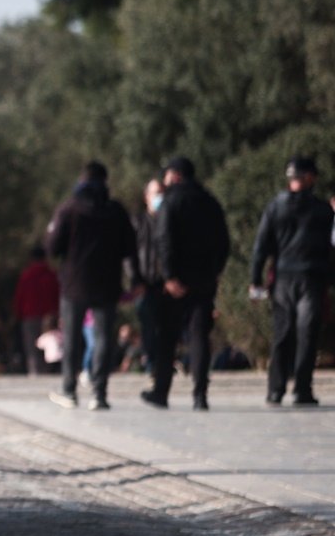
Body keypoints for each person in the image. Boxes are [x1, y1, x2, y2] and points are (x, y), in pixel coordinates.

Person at [44, 162, 136, 410]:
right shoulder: (116, 210)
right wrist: (135, 280)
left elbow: (52, 248)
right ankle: (100, 393)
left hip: (74, 284)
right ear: (106, 181)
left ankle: (69, 391)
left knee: (72, 338)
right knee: (104, 338)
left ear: (81, 179)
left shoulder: (69, 209)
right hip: (107, 283)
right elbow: (130, 247)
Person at [143, 157, 230, 411]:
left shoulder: (171, 202)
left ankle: (161, 392)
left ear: (177, 176)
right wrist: (214, 272)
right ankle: (200, 395)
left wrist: (169, 277)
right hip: (204, 280)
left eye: (168, 175)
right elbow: (224, 242)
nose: (166, 180)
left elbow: (164, 240)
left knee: (167, 337)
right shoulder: (210, 202)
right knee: (199, 336)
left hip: (176, 282)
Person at [250, 156, 333, 406]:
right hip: (312, 279)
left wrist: (255, 280)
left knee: (282, 335)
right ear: (308, 177)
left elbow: (261, 246)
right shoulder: (323, 209)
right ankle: (302, 390)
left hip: (284, 278)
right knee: (307, 335)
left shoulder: (276, 206)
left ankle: (275, 390)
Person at [129, 178, 166, 376]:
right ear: (146, 197)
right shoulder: (137, 222)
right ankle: (152, 364)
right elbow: (129, 255)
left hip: (166, 284)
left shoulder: (169, 221)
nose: (160, 197)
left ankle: (164, 364)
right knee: (148, 326)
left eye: (162, 193)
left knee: (165, 326)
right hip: (144, 284)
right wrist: (135, 280)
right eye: (156, 193)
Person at [12, 245, 59, 378]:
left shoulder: (26, 275)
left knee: (32, 348)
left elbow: (19, 296)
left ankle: (35, 374)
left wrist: (18, 313)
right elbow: (58, 295)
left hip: (30, 316)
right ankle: (49, 374)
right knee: (51, 346)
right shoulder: (51, 274)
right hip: (49, 317)